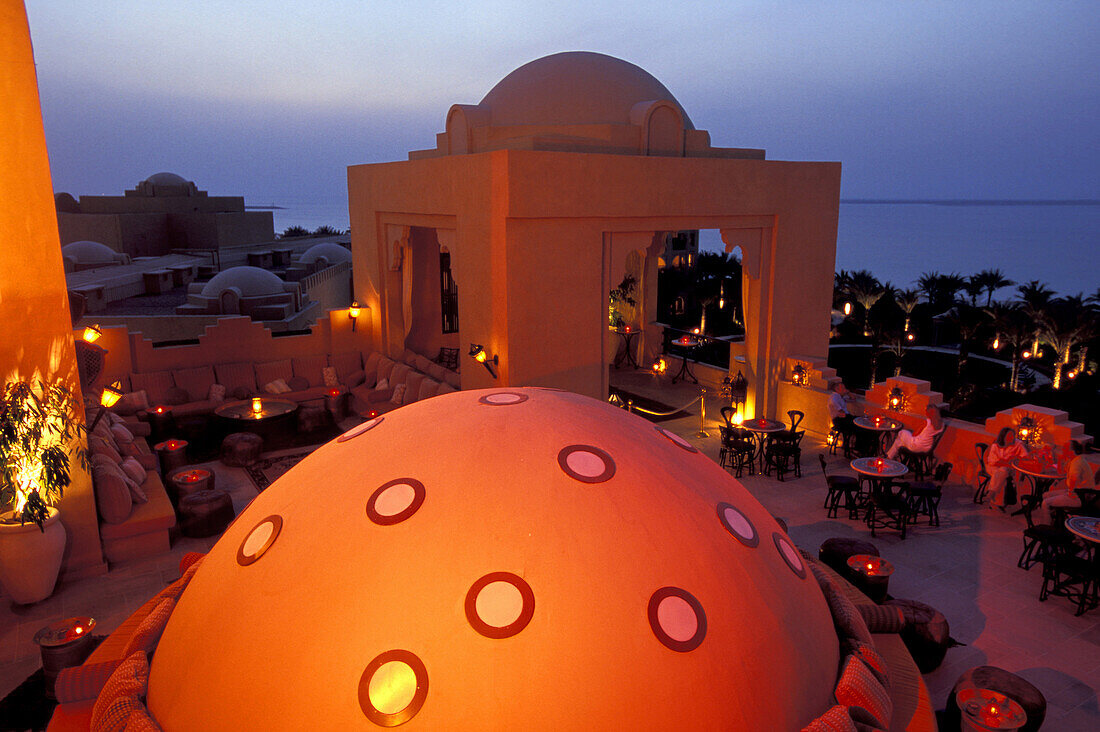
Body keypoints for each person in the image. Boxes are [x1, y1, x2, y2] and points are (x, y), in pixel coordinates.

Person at [1036, 440, 1095, 524]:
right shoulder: (1072, 460)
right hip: (1075, 493)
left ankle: (1047, 526)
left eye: (1065, 448)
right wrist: (1060, 459)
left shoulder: (1077, 463)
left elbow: (1074, 479)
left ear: (1071, 451)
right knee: (1045, 495)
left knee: (1045, 503)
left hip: (1080, 497)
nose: (1062, 450)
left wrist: (1069, 493)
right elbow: (1061, 473)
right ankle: (1055, 522)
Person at [987, 427, 1028, 509]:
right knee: (1001, 474)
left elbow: (1025, 456)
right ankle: (997, 501)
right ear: (1003, 437)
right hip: (993, 467)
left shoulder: (1018, 444)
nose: (1012, 438)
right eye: (1009, 436)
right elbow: (992, 461)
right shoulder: (996, 445)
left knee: (1003, 471)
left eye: (1013, 436)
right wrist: (1006, 462)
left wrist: (1014, 458)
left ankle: (992, 494)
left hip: (1006, 468)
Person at [827, 382, 858, 455]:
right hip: (839, 420)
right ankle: (856, 448)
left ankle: (850, 445)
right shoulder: (835, 397)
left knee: (858, 421)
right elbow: (838, 409)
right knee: (857, 424)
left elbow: (853, 398)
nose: (845, 389)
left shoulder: (841, 397)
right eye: (843, 388)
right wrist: (842, 412)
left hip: (844, 417)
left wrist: (848, 392)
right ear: (837, 389)